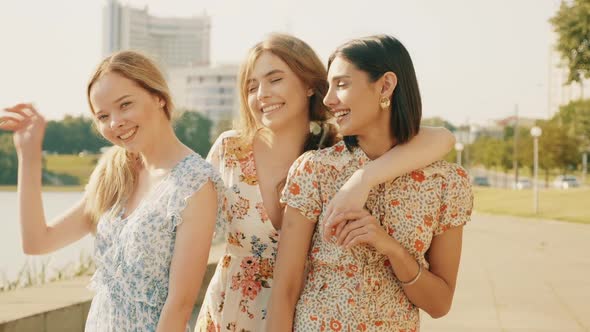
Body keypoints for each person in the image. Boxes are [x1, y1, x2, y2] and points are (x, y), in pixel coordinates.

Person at [195, 33, 456, 332]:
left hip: (308, 315)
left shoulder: (335, 151)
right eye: (251, 86)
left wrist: (362, 179)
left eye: (274, 79)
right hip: (232, 309)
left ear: (309, 84)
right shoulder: (231, 151)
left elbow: (442, 138)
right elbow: (192, 234)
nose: (262, 94)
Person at [0, 50, 224, 332]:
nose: (115, 122)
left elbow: (178, 307)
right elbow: (37, 242)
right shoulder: (114, 174)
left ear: (159, 97)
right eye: (103, 116)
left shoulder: (195, 183)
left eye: (125, 105)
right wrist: (29, 155)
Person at [267, 35, 474, 331]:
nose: (328, 100)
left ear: (386, 86)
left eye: (342, 84)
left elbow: (440, 305)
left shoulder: (446, 183)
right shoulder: (315, 170)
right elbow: (285, 290)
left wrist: (392, 249)